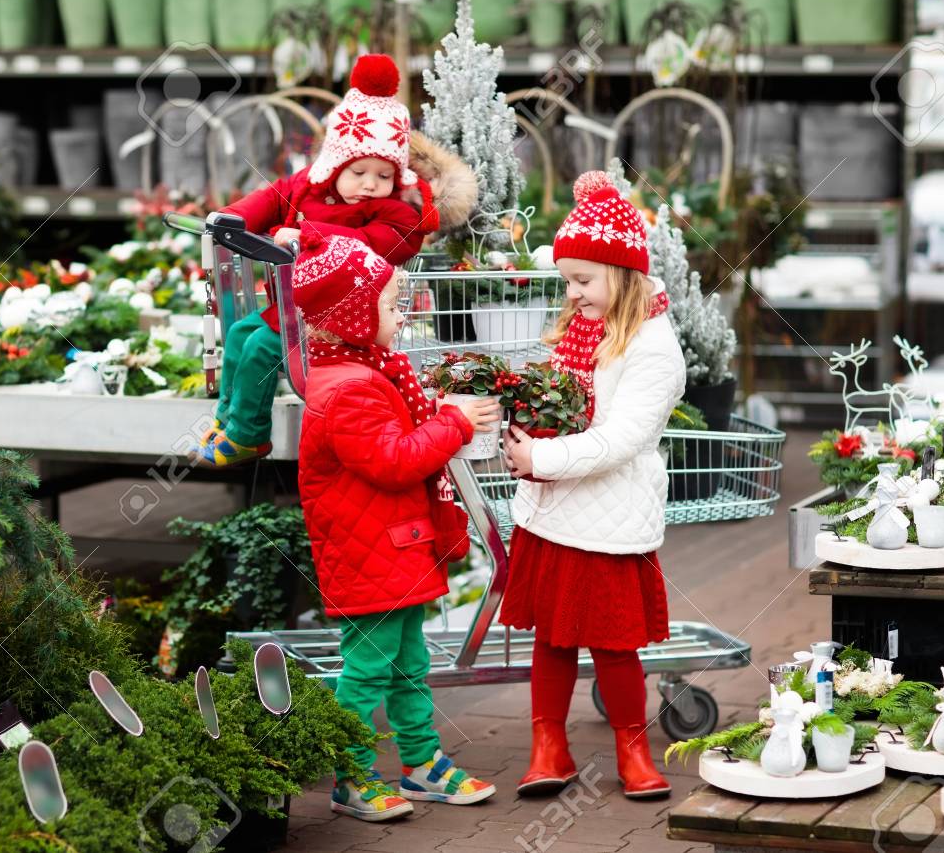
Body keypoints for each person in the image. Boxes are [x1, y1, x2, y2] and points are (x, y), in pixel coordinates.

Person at [293, 232, 500, 821]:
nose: (397, 317)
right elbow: (394, 460)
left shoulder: (366, 373)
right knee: (365, 672)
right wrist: (454, 424)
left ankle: (421, 763)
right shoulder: (352, 389)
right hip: (370, 557)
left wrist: (436, 412)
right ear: (353, 318)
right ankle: (352, 777)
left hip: (393, 550)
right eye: (386, 306)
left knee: (409, 664)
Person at [499, 171, 686, 800]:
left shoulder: (653, 348)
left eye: (583, 281)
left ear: (623, 273)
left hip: (609, 513)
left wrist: (541, 458)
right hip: (553, 509)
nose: (572, 294)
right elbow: (557, 404)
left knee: (614, 642)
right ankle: (548, 746)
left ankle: (633, 749)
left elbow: (623, 439)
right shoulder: (581, 332)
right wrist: (522, 433)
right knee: (552, 638)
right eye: (567, 282)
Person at [192, 53, 475, 467]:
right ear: (335, 164)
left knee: (260, 348)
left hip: (338, 323)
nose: (371, 184)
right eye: (359, 171)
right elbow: (271, 198)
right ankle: (227, 420)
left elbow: (382, 243)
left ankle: (249, 435)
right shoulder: (308, 186)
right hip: (297, 305)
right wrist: (231, 219)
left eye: (383, 175)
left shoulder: (397, 210)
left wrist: (310, 234)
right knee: (238, 335)